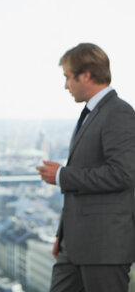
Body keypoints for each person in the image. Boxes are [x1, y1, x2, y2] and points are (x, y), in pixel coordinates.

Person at [37, 43, 135, 292]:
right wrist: (63, 234)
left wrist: (61, 175)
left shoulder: (118, 112)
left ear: (86, 75)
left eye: (68, 77)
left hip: (104, 246)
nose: (66, 85)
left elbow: (124, 174)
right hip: (75, 243)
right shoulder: (92, 113)